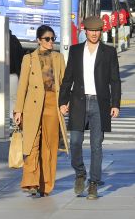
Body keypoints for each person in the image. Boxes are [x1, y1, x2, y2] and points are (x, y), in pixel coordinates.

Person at [59, 16, 121, 200]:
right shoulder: (76, 51)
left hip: (99, 104)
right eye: (91, 30)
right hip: (78, 101)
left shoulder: (109, 52)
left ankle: (93, 183)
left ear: (101, 31)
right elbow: (68, 78)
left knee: (96, 146)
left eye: (98, 31)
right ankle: (80, 173)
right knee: (75, 142)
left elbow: (115, 80)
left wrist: (115, 104)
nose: (94, 34)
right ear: (85, 30)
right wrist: (63, 101)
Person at [13, 25, 68, 197]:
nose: (51, 42)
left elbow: (64, 83)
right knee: (32, 144)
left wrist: (65, 103)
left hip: (53, 105)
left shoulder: (58, 58)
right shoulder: (28, 59)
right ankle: (30, 182)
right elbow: (22, 86)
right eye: (47, 39)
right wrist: (18, 111)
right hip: (32, 107)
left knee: (50, 146)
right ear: (38, 40)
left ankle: (46, 185)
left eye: (53, 38)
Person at [9, 30, 24, 120]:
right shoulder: (14, 40)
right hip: (13, 75)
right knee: (13, 100)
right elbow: (21, 57)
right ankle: (14, 121)